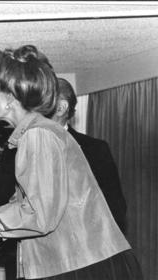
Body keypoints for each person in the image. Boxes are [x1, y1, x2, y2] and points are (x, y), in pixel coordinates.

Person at [0, 45, 140, 280]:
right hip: (78, 265)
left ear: (10, 97)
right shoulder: (36, 134)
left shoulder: (37, 134)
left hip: (81, 269)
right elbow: (21, 211)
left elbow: (38, 217)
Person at [52, 77, 128, 234]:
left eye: (39, 103)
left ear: (61, 108)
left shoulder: (96, 150)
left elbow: (115, 208)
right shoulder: (22, 148)